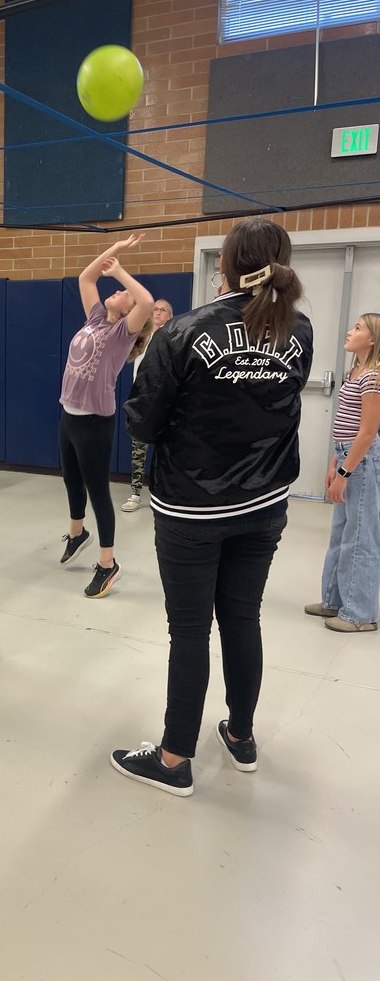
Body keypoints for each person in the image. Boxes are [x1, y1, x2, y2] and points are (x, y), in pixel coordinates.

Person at [111, 218, 313, 796]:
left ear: (225, 266)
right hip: (266, 503)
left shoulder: (181, 334)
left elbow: (143, 420)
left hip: (193, 511)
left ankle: (174, 760)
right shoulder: (301, 332)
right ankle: (241, 736)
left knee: (191, 630)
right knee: (243, 617)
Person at [58, 234, 154, 598]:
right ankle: (78, 532)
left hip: (94, 422)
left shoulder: (122, 332)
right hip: (68, 413)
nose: (116, 291)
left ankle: (107, 564)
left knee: (98, 490)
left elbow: (145, 300)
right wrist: (113, 250)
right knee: (71, 480)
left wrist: (121, 271)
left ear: (130, 311)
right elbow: (86, 278)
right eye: (116, 289)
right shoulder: (97, 317)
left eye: (121, 293)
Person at [305, 314, 380, 632]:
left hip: (361, 461)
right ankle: (335, 600)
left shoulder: (374, 377)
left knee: (361, 537)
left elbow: (368, 431)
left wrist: (345, 473)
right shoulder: (355, 372)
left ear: (373, 340)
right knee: (340, 535)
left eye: (359, 328)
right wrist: (334, 464)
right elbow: (346, 427)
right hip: (347, 456)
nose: (350, 331)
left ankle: (360, 614)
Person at [121, 298, 173, 513]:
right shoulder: (141, 338)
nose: (158, 312)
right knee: (137, 449)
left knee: (166, 449)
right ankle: (135, 493)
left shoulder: (173, 339)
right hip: (141, 401)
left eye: (163, 310)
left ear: (170, 316)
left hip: (165, 402)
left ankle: (164, 494)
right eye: (155, 309)